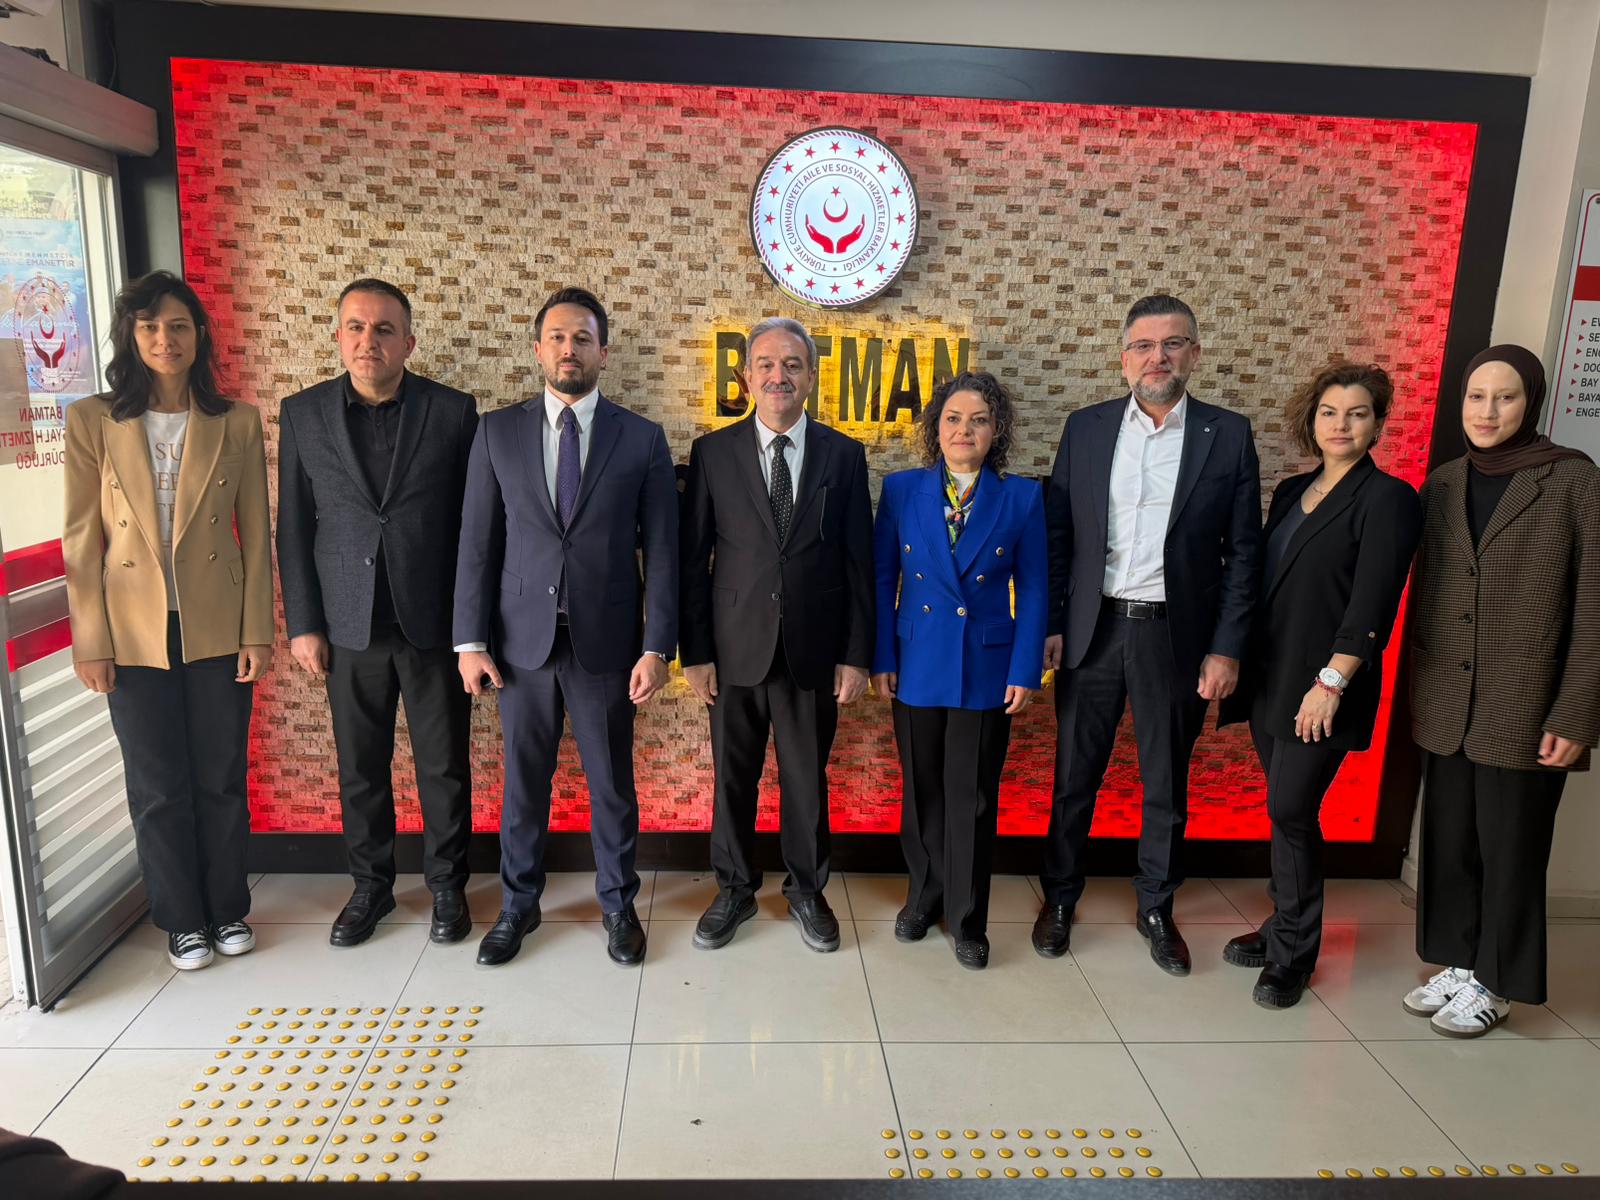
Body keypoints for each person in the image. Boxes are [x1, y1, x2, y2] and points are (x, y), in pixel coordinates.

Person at [1035, 294, 1261, 975]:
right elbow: (1058, 535)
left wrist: (1226, 647)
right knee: (1074, 776)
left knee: (1165, 783)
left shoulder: (1227, 434)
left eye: (1172, 343)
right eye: (1143, 345)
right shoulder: (1086, 428)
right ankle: (1060, 898)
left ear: (1194, 353)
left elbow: (1244, 552)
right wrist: (1051, 624)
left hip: (1176, 637)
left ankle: (1156, 905)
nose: (1156, 357)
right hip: (1094, 630)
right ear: (1123, 357)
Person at [454, 286, 677, 967]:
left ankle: (618, 905)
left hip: (606, 645)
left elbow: (663, 550)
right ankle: (518, 905)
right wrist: (470, 642)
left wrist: (657, 646)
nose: (569, 349)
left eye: (582, 338)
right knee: (523, 784)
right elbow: (477, 543)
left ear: (603, 352)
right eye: (557, 337)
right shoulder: (496, 432)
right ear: (537, 350)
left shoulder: (641, 438)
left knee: (611, 785)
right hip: (520, 646)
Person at [62, 269, 272, 971]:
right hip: (131, 628)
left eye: (178, 326)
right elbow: (81, 541)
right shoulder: (92, 419)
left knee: (220, 777)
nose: (164, 339)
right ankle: (182, 921)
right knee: (156, 786)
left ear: (200, 335)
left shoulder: (235, 420)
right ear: (130, 335)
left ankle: (227, 908)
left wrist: (257, 632)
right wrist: (90, 641)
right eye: (149, 326)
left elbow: (255, 535)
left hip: (214, 622)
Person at [277, 278, 479, 949]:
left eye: (385, 329)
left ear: (409, 342)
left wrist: (472, 629)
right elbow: (293, 527)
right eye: (357, 328)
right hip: (347, 628)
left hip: (433, 626)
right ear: (339, 337)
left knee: (443, 766)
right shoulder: (302, 414)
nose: (370, 341)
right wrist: (304, 624)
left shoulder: (453, 411)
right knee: (360, 767)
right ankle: (371, 886)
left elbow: (474, 527)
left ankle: (447, 885)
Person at [1404, 345, 1598, 1037]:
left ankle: (1497, 981)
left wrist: (1577, 713)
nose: (1487, 412)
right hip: (1446, 697)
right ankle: (1460, 961)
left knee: (1511, 848)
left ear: (1531, 402)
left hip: (1527, 702)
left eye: (1505, 396)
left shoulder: (1574, 481)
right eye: (1476, 396)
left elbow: (1595, 607)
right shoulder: (1444, 483)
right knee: (1451, 840)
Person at [1217, 362, 1420, 1008]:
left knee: (1291, 810)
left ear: (1377, 424)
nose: (1341, 425)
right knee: (1283, 809)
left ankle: (1294, 953)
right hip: (1270, 678)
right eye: (1330, 412)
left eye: (1357, 413)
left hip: (1324, 687)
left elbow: (1373, 603)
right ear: (1313, 419)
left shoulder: (1388, 499)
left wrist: (1331, 682)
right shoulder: (1291, 491)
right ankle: (1283, 922)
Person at [680, 317, 874, 953]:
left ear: (811, 377)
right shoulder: (713, 453)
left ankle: (807, 890)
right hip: (733, 648)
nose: (778, 375)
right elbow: (693, 560)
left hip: (813, 650)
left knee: (806, 781)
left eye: (792, 364)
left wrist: (856, 655)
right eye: (765, 364)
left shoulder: (844, 455)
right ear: (745, 377)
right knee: (732, 778)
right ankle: (734, 889)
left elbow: (858, 561)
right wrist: (695, 653)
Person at [870, 372, 1047, 970]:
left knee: (971, 798)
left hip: (986, 666)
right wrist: (883, 657)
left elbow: (1036, 589)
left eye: (978, 420)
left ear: (996, 431)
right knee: (922, 791)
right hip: (916, 658)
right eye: (952, 418)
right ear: (935, 428)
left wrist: (1026, 669)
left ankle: (969, 918)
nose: (963, 430)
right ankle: (924, 898)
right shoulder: (901, 490)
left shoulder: (1021, 497)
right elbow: (882, 580)